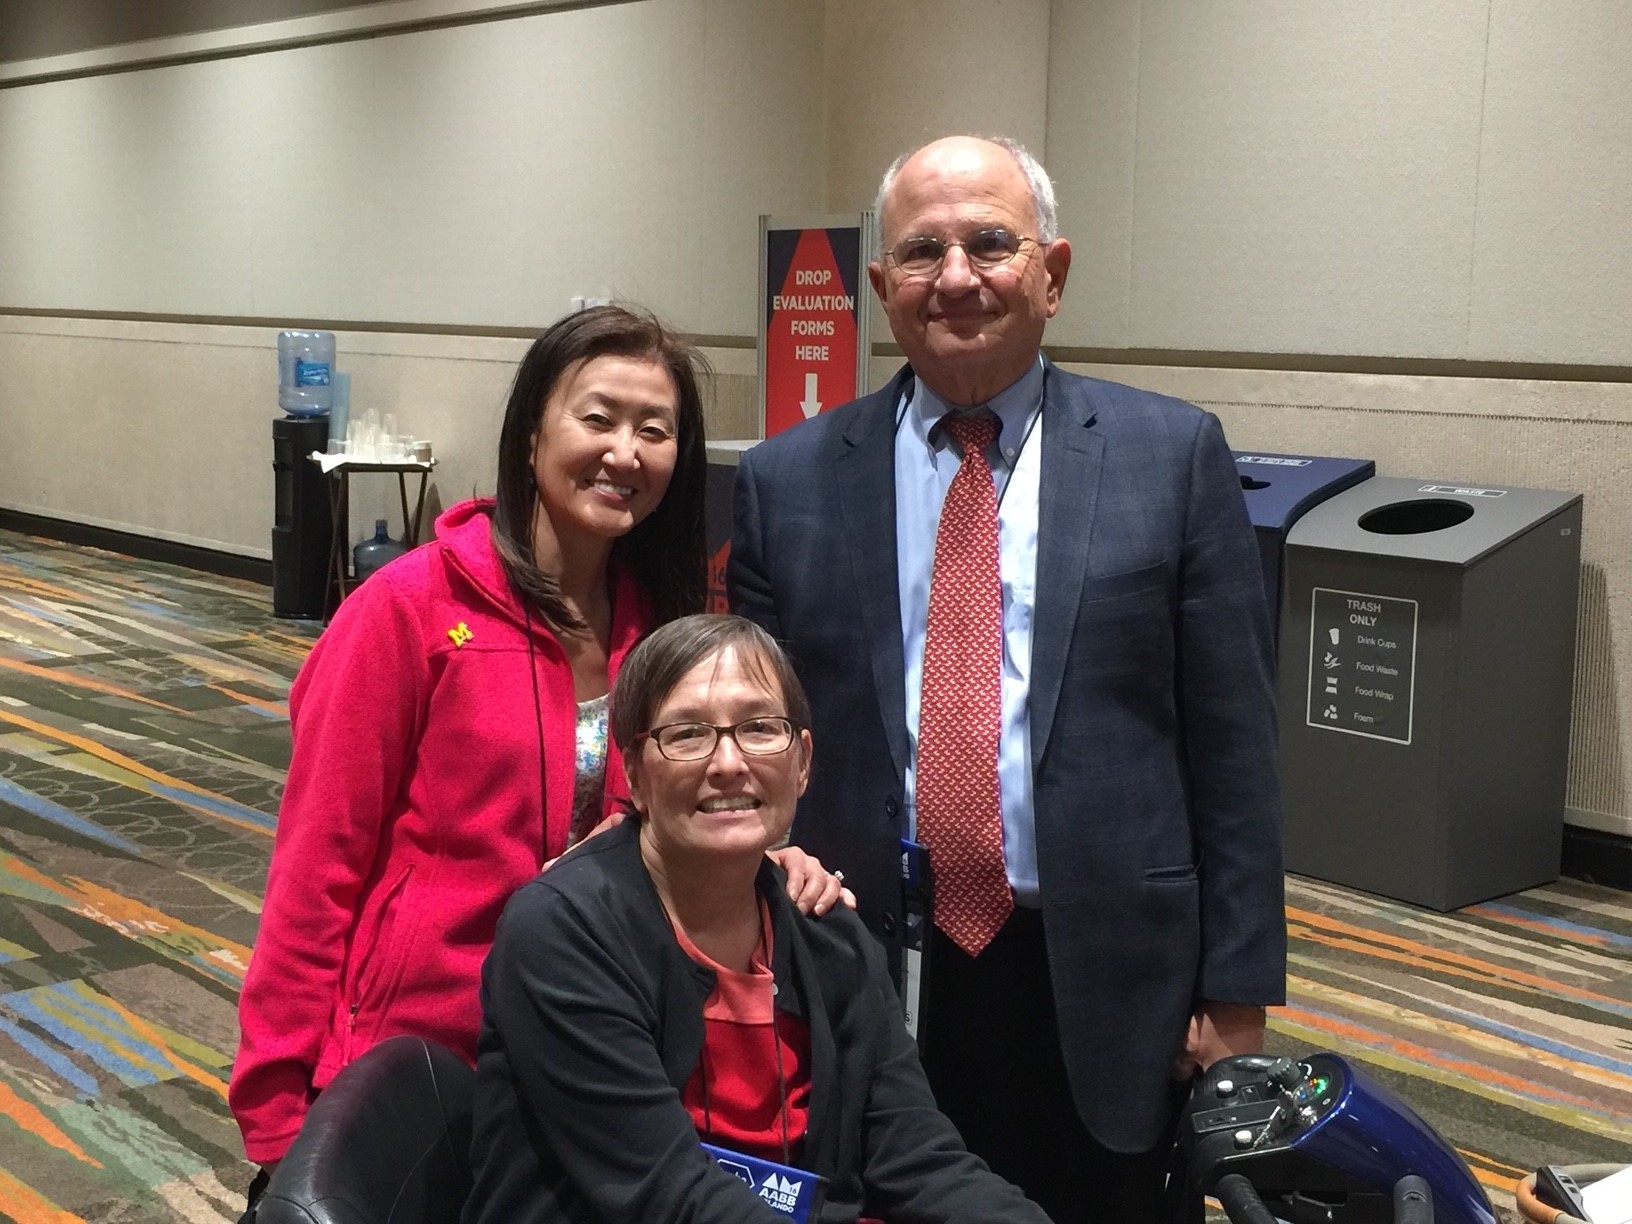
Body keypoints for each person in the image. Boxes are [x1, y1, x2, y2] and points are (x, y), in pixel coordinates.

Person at [728, 136, 1287, 1222]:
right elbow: (753, 737)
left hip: (1111, 971)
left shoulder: (1170, 457)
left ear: (1053, 274)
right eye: (923, 251)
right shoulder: (786, 479)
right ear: (882, 286)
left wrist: (1237, 990)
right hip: (865, 957)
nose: (957, 276)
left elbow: (1234, 747)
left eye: (991, 242)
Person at [231, 307, 846, 1203]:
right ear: (530, 436)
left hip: (593, 1052)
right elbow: (318, 865)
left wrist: (767, 856)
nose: (625, 453)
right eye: (597, 419)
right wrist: (283, 1115)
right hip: (424, 1057)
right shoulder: (407, 609)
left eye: (655, 430)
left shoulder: (664, 630)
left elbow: (676, 821)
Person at [465, 613, 1052, 1224]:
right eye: (688, 734)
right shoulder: (562, 933)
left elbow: (919, 1159)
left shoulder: (828, 932)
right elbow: (666, 1197)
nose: (728, 763)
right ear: (635, 772)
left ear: (801, 762)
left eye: (759, 728)